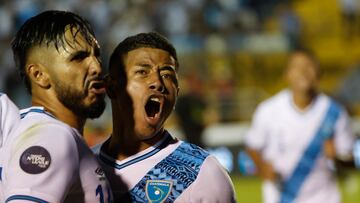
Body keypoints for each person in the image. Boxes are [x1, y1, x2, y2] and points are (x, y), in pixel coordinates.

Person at [93, 32, 236, 202]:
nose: (158, 82)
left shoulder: (202, 173)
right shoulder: (80, 164)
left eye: (167, 75)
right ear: (111, 86)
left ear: (177, 91)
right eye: (142, 72)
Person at [1, 10, 112, 202]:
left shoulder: (38, 130)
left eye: (96, 55)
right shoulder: (51, 135)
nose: (97, 67)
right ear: (39, 75)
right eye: (78, 58)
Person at [244, 48, 355, 203]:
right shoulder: (268, 110)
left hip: (324, 197)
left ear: (318, 73)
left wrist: (335, 157)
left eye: (308, 66)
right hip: (281, 197)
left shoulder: (335, 112)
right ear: (287, 74)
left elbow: (349, 163)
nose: (303, 71)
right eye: (297, 66)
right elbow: (252, 145)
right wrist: (263, 168)